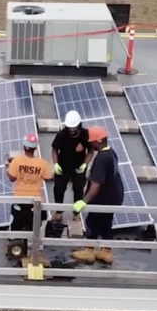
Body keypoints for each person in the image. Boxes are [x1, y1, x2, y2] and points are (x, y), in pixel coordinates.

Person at [70, 126, 123, 265]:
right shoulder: (111, 153)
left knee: (92, 222)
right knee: (106, 224)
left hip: (103, 198)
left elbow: (97, 183)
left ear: (99, 141)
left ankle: (88, 251)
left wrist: (84, 201)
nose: (91, 144)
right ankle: (106, 251)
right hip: (115, 196)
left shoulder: (101, 158)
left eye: (93, 141)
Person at [50, 110, 91, 223]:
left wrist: (85, 164)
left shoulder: (85, 134)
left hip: (78, 167)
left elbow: (90, 151)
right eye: (70, 127)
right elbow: (54, 149)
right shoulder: (62, 135)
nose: (72, 130)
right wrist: (56, 164)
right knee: (59, 188)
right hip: (63, 166)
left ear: (79, 125)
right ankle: (58, 212)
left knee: (78, 189)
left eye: (74, 127)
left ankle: (76, 214)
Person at [7, 133, 53, 232]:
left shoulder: (17, 160)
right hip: (35, 201)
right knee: (35, 225)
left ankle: (13, 241)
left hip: (19, 200)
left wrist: (8, 168)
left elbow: (12, 178)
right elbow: (48, 178)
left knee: (16, 224)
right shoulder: (43, 163)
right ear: (35, 147)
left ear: (24, 146)